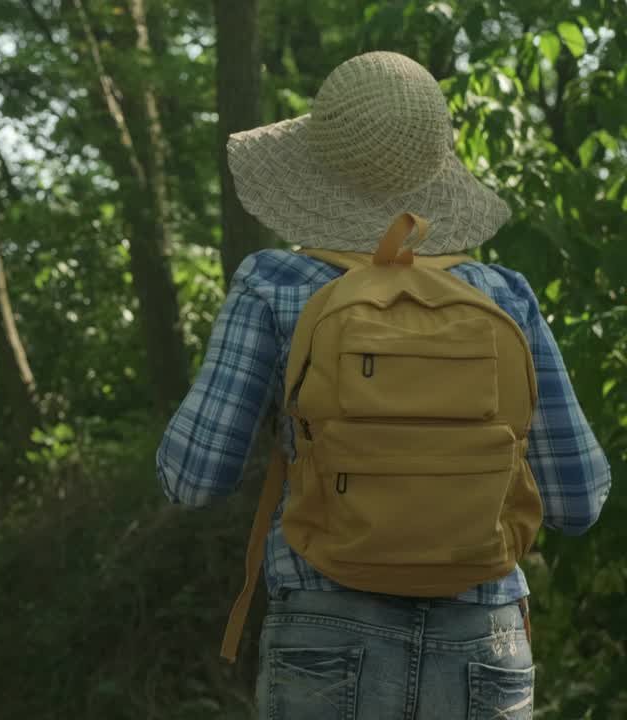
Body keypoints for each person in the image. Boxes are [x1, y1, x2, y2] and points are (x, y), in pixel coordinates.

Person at [156, 51, 612, 720]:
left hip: (326, 627)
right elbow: (580, 499)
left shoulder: (273, 284)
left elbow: (192, 479)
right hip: (484, 641)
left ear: (316, 164)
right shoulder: (502, 295)